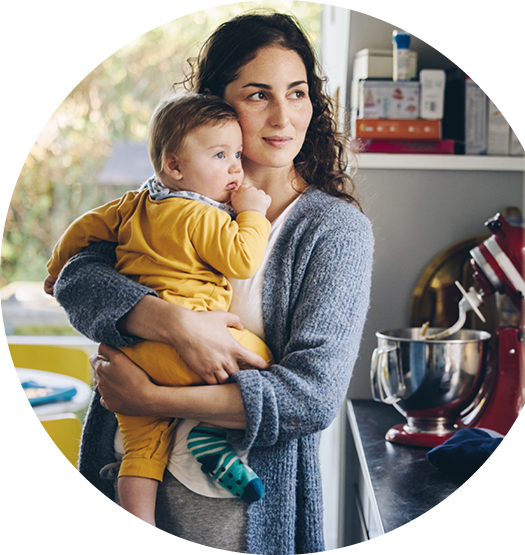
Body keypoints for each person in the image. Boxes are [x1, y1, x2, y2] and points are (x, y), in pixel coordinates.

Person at [53, 10, 374, 555]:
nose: (283, 117)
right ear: (218, 104)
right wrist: (174, 324)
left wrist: (152, 396)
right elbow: (77, 277)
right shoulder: (172, 192)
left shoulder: (334, 230)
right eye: (257, 95)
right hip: (122, 485)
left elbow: (312, 397)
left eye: (297, 93)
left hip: (237, 523)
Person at [44, 93, 273, 526]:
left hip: (133, 356)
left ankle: (139, 525)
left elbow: (83, 230)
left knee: (141, 449)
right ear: (174, 166)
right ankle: (211, 435)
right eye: (221, 155)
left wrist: (56, 267)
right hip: (187, 356)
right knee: (260, 355)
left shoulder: (131, 205)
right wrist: (253, 214)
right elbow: (242, 259)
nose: (235, 168)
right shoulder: (202, 216)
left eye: (238, 155)